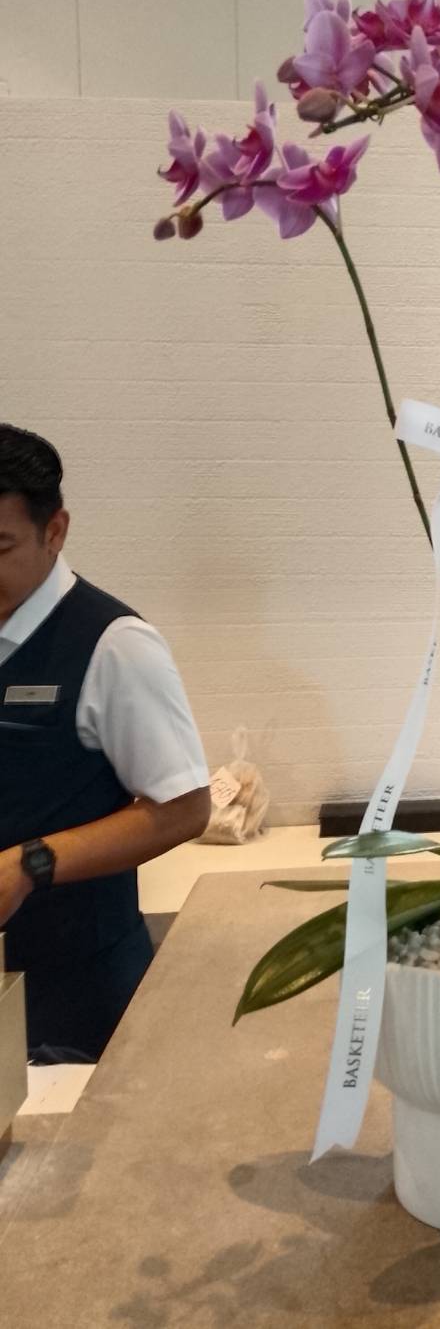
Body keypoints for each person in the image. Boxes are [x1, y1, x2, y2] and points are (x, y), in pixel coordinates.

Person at [0, 424, 211, 1061]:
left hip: (76, 991)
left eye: (0, 547)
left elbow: (185, 808)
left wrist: (30, 865)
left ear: (55, 530)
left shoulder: (114, 645)